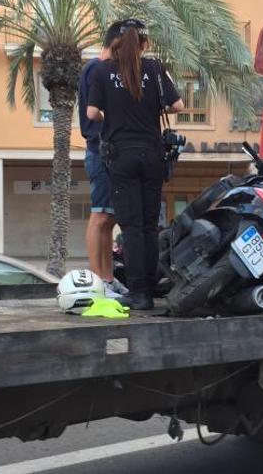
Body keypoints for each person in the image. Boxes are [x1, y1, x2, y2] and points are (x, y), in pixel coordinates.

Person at [87, 19, 184, 310]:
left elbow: (92, 113)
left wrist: (115, 116)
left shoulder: (104, 71)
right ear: (144, 44)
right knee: (148, 225)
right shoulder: (154, 69)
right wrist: (150, 109)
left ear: (116, 44)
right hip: (152, 154)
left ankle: (138, 293)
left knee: (130, 226)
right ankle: (151, 289)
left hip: (122, 156)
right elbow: (177, 105)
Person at [80, 21, 128, 297]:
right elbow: (95, 112)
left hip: (104, 149)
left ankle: (107, 279)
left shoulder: (97, 69)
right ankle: (98, 281)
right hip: (101, 150)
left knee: (108, 218)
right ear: (118, 44)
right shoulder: (98, 70)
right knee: (100, 215)